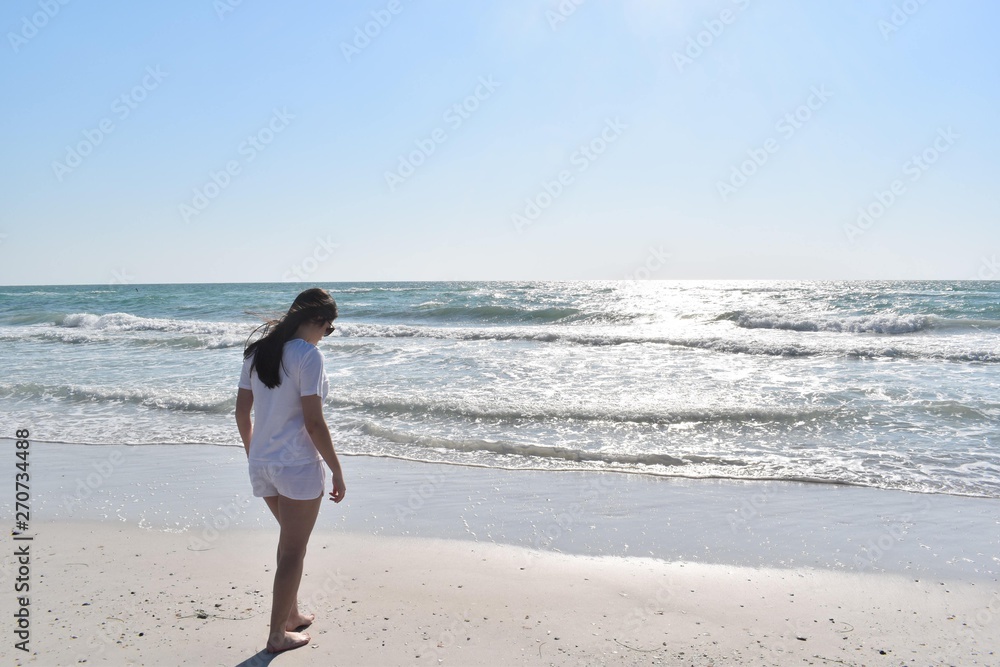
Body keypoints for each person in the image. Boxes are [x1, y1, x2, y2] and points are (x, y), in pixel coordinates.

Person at [235, 287, 346, 654]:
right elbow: (314, 423)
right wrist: (337, 470)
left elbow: (241, 412)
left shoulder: (258, 352)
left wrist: (255, 454)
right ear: (317, 320)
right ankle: (277, 636)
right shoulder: (307, 356)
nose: (325, 336)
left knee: (288, 544)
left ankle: (292, 614)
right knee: (294, 550)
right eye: (328, 328)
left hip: (262, 464)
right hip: (297, 465)